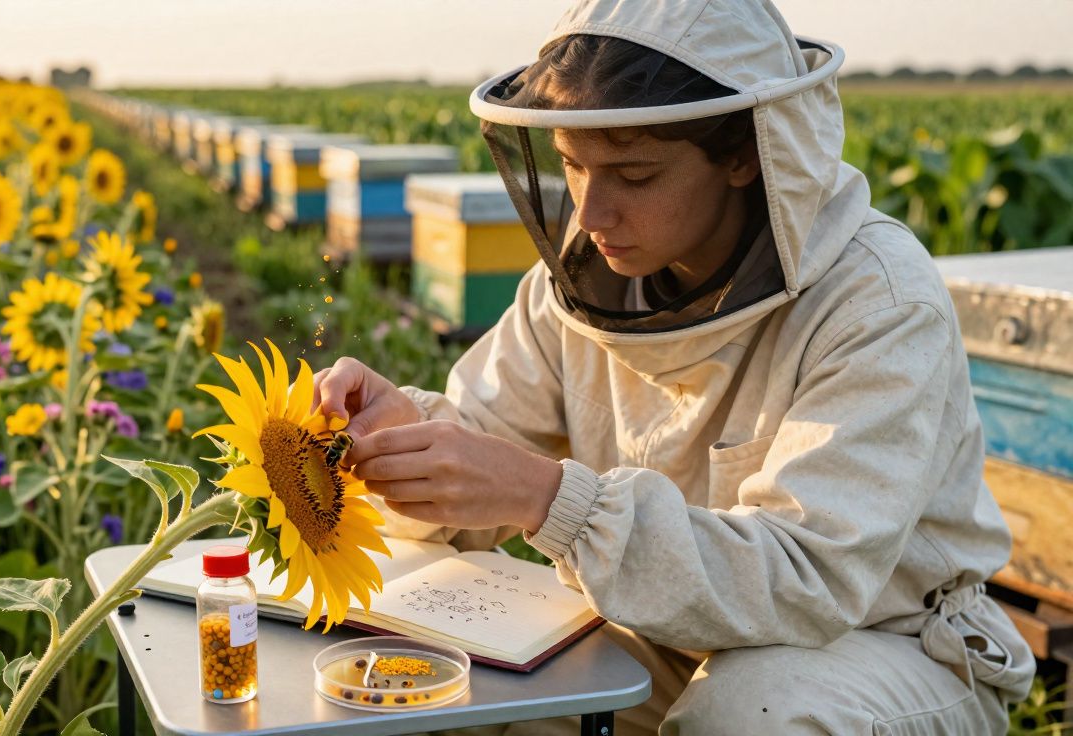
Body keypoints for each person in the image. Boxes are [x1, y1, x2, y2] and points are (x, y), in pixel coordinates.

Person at [312, 0, 1035, 733]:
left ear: (745, 154)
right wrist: (408, 442)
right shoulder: (573, 289)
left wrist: (545, 497)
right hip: (671, 635)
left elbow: (809, 580)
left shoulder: (876, 303)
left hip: (886, 648)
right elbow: (484, 446)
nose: (591, 214)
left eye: (633, 173)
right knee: (484, 684)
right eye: (571, 165)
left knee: (753, 712)